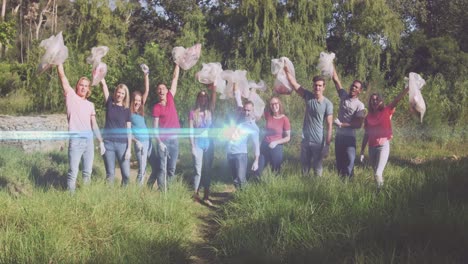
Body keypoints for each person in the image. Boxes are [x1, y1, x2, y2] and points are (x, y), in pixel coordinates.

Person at [56, 64, 105, 192]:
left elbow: (94, 124)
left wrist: (101, 141)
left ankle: (84, 198)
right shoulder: (71, 97)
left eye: (86, 86)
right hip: (76, 141)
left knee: (87, 173)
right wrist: (59, 63)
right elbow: (62, 77)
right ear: (77, 86)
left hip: (89, 142)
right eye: (81, 85)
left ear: (88, 89)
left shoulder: (90, 105)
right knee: (73, 172)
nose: (83, 87)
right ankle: (71, 201)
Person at [284, 67, 333, 176]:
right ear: (313, 86)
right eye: (316, 85)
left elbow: (329, 125)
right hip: (305, 140)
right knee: (304, 168)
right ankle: (305, 187)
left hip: (318, 141)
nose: (317, 87)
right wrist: (286, 70)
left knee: (317, 169)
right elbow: (294, 84)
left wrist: (327, 145)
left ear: (324, 87)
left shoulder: (327, 104)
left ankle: (317, 189)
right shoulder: (308, 96)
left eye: (320, 85)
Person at [360, 86, 409, 190]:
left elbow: (397, 99)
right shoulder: (368, 117)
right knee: (376, 174)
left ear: (381, 101)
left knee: (378, 173)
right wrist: (362, 152)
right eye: (372, 100)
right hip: (372, 148)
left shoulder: (386, 110)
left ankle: (381, 193)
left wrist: (407, 88)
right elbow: (366, 134)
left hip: (383, 146)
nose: (374, 101)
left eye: (377, 99)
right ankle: (380, 192)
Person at [147, 63, 180, 192]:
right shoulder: (156, 107)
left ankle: (169, 192)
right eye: (159, 89)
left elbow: (175, 78)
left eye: (163, 88)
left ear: (167, 91)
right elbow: (155, 128)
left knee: (171, 169)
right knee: (162, 168)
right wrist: (159, 142)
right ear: (157, 92)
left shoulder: (171, 98)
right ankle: (162, 192)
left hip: (175, 140)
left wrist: (177, 64)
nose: (161, 90)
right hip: (164, 142)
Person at [331, 69, 366, 178]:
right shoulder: (343, 96)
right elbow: (336, 81)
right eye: (352, 85)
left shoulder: (360, 105)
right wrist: (330, 62)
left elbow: (358, 124)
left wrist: (342, 124)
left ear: (360, 90)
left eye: (356, 87)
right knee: (340, 164)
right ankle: (342, 186)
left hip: (350, 138)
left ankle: (350, 184)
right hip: (339, 137)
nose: (353, 88)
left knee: (349, 163)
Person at [225, 84, 260, 189]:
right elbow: (237, 97)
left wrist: (256, 160)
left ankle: (245, 199)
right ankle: (238, 199)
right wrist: (235, 82)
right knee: (235, 179)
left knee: (241, 179)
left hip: (241, 154)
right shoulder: (240, 114)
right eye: (245, 110)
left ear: (253, 111)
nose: (246, 112)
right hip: (230, 152)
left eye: (249, 110)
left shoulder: (253, 126)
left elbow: (256, 145)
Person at [100, 78, 132, 186]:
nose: (120, 95)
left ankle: (123, 195)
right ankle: (109, 199)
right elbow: (104, 86)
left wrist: (129, 149)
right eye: (119, 92)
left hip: (122, 144)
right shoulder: (109, 103)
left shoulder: (126, 110)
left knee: (126, 175)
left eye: (123, 93)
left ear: (125, 95)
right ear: (115, 92)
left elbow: (129, 130)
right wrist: (101, 74)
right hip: (108, 143)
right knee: (110, 175)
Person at [189, 84, 217, 205]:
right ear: (198, 98)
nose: (203, 99)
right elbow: (190, 131)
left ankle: (206, 196)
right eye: (201, 97)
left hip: (209, 144)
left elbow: (214, 97)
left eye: (205, 97)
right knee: (198, 170)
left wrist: (214, 86)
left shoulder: (210, 110)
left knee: (208, 170)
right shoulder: (192, 113)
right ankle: (195, 195)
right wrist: (192, 147)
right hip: (198, 143)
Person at [254, 97, 291, 178]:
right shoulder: (268, 115)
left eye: (276, 103)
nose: (274, 106)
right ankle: (257, 186)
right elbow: (258, 108)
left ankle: (274, 188)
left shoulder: (285, 119)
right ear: (270, 106)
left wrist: (276, 142)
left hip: (276, 147)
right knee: (257, 169)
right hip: (264, 145)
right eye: (272, 104)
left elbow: (288, 138)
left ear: (279, 104)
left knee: (276, 171)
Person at [130, 64, 151, 186]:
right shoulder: (129, 112)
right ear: (132, 100)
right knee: (142, 169)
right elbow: (127, 131)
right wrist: (135, 141)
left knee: (146, 166)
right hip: (139, 143)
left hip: (147, 141)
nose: (138, 102)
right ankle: (138, 192)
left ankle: (145, 186)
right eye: (136, 100)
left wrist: (146, 74)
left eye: (139, 100)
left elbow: (147, 90)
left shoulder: (141, 109)